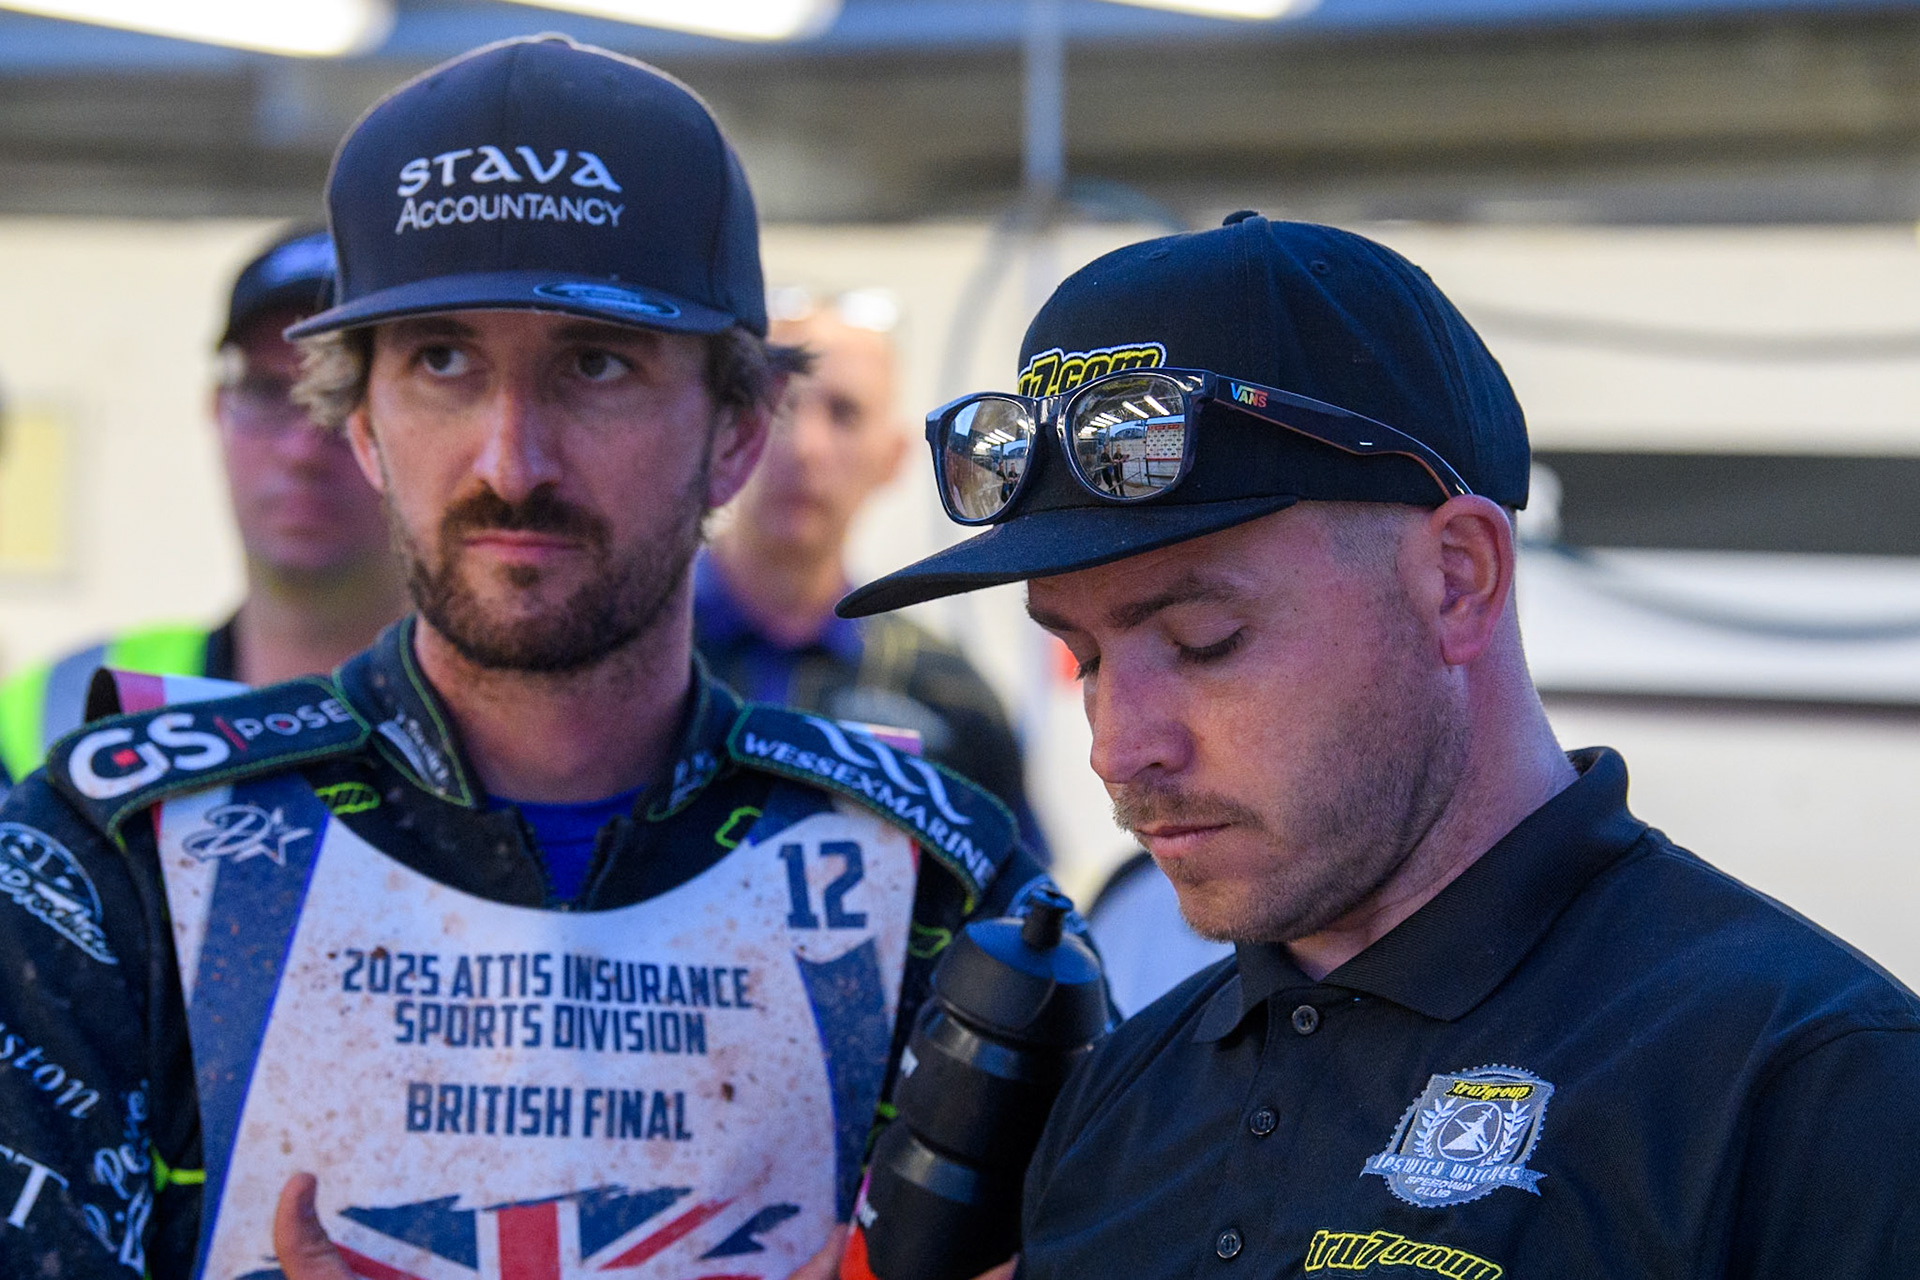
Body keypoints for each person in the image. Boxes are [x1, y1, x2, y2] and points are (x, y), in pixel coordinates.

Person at [0, 36, 1057, 1279]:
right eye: (442, 361)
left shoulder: (936, 871)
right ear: (363, 425)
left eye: (594, 363)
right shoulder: (114, 845)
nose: (512, 460)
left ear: (736, 430)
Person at [834, 213, 1920, 1277]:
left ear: (1458, 580)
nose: (1120, 749)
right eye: (1087, 658)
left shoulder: (1808, 1084)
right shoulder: (1114, 1100)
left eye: (1205, 640)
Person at [0, 227, 406, 782]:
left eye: (343, 402)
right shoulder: (59, 709)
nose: (302, 449)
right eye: (267, 392)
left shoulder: (514, 723)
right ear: (215, 409)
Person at [699, 288, 1049, 855]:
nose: (806, 447)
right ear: (727, 431)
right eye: (780, 407)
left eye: (844, 413)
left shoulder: (952, 700)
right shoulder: (623, 650)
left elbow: (1013, 918)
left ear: (893, 458)